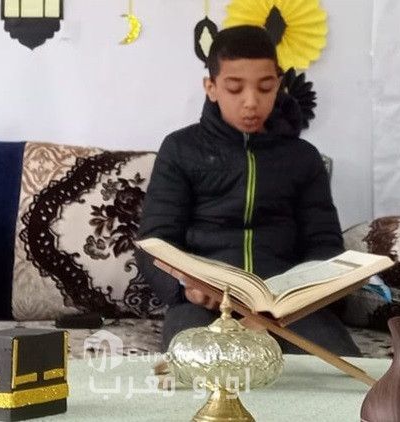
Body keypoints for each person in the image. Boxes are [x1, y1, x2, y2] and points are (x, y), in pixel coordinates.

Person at [135, 25, 360, 356]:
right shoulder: (181, 149)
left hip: (288, 309)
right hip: (206, 306)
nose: (251, 102)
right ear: (211, 87)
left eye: (265, 87)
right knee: (194, 367)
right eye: (235, 88)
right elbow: (155, 242)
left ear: (277, 86)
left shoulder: (302, 158)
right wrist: (186, 287)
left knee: (340, 372)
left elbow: (324, 243)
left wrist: (308, 292)